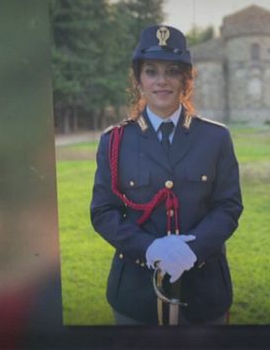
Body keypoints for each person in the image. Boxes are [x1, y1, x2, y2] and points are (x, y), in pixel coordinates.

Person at [90, 25, 244, 325]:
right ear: (139, 80)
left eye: (172, 71)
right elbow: (103, 211)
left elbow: (228, 206)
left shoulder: (215, 138)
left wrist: (192, 250)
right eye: (151, 71)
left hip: (205, 292)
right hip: (136, 295)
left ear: (186, 80)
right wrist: (150, 248)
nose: (162, 81)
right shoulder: (115, 141)